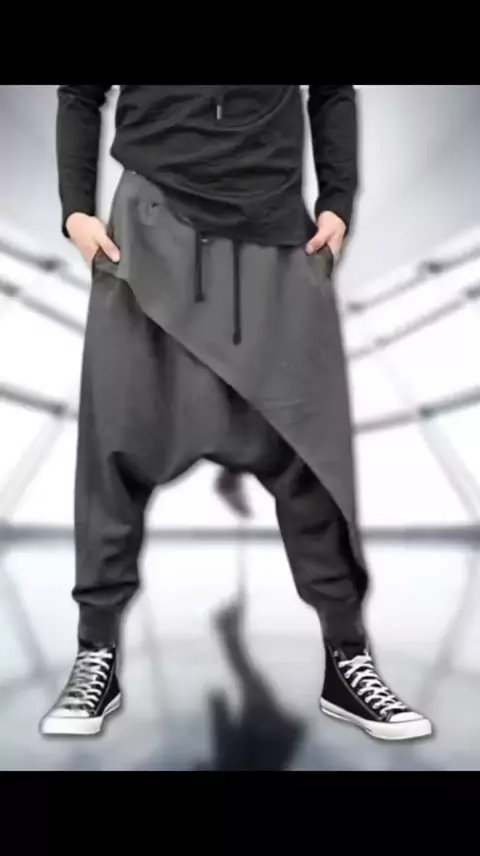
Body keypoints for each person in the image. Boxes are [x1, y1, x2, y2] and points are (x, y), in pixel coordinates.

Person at [40, 85, 432, 742]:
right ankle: (95, 653)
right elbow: (80, 91)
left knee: (311, 450)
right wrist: (76, 210)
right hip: (151, 226)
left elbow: (332, 90)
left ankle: (347, 658)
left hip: (274, 227)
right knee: (118, 435)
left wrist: (338, 200)